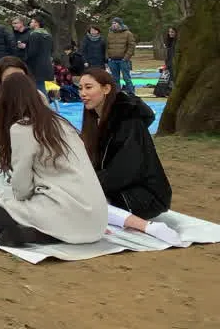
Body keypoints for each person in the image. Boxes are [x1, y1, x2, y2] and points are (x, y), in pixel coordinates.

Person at [0, 73, 107, 248]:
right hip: (97, 220)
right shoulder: (62, 123)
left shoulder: (22, 128)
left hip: (64, 209)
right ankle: (44, 231)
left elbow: (22, 187)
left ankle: (41, 234)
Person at [78, 68, 182, 245]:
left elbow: (126, 169)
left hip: (143, 195)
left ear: (106, 89)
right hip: (115, 187)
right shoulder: (94, 118)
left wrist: (89, 185)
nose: (83, 93)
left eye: (88, 87)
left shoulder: (129, 121)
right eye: (80, 88)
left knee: (80, 202)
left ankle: (147, 227)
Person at [24, 15, 55, 96]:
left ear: (36, 23)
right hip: (48, 66)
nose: (30, 23)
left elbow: (32, 52)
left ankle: (42, 107)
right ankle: (52, 103)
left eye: (31, 22)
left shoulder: (34, 35)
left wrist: (25, 59)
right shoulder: (48, 35)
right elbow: (52, 50)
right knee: (48, 91)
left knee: (39, 92)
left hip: (36, 67)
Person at [106, 17, 137, 95]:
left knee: (126, 78)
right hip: (112, 60)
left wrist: (126, 57)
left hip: (123, 60)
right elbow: (107, 46)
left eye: (115, 23)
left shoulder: (128, 33)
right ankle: (117, 94)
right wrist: (108, 57)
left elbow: (131, 46)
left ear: (120, 24)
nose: (113, 25)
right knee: (115, 79)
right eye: (112, 23)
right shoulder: (110, 33)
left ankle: (131, 93)